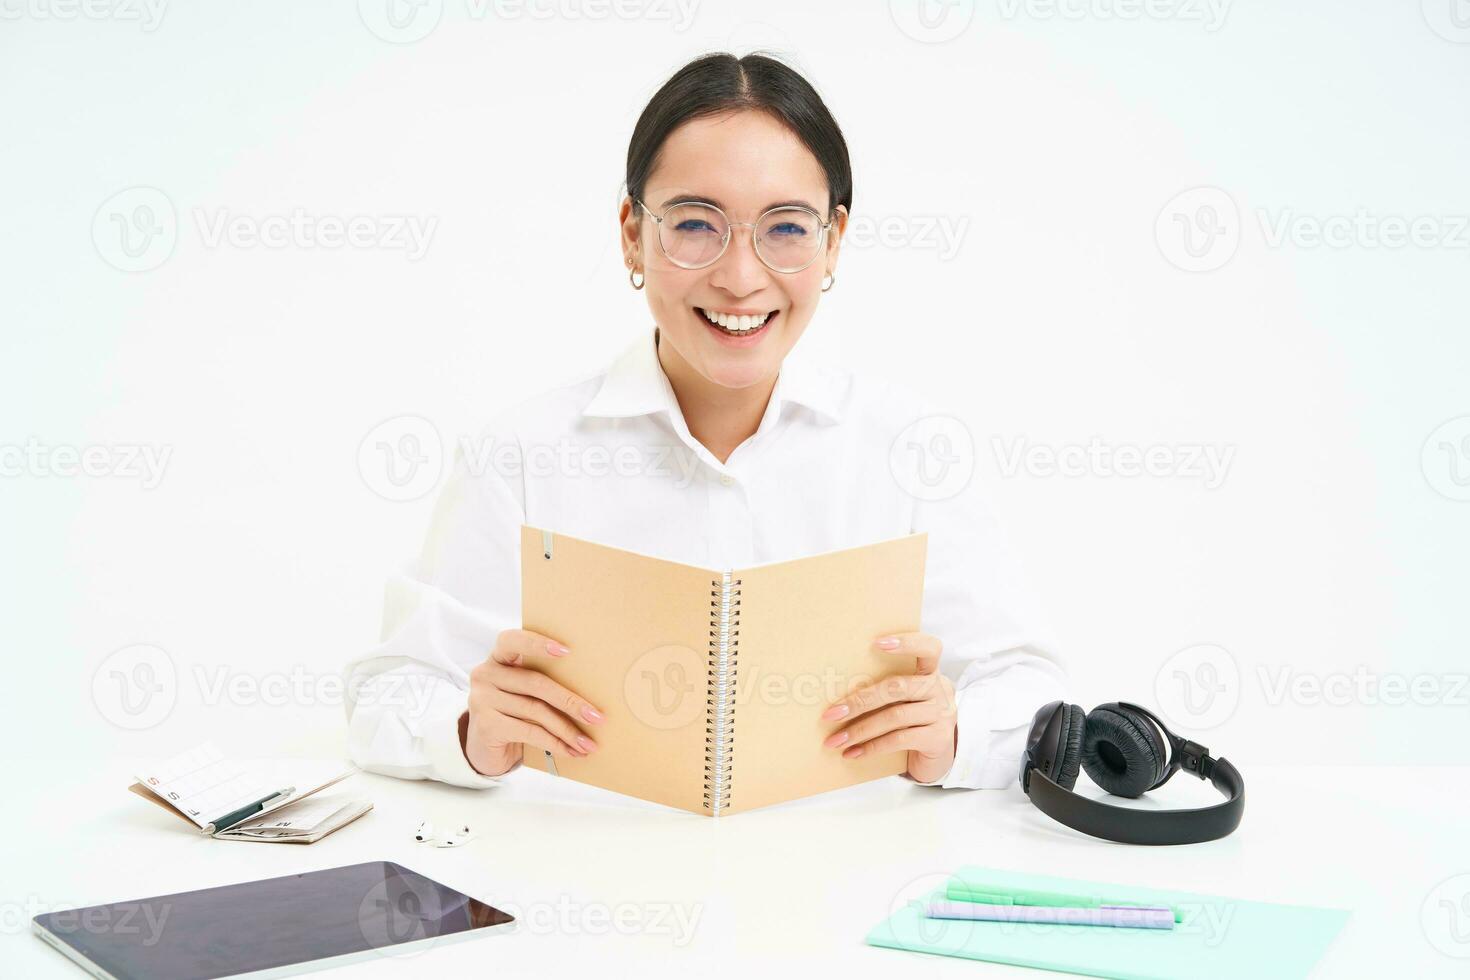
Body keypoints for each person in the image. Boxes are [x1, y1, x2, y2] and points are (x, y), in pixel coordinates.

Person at [344, 51, 1066, 792]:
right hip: (582, 881)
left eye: (786, 229)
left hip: (844, 882)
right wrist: (467, 732)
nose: (740, 277)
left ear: (833, 244)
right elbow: (385, 700)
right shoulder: (520, 454)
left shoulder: (909, 450)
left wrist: (955, 734)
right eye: (695, 223)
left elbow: (1030, 693)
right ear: (632, 233)